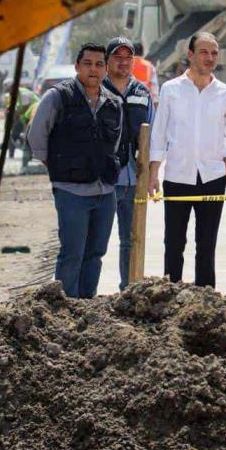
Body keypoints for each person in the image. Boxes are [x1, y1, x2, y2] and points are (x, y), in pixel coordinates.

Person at [28, 44, 122, 298]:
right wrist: (61, 169)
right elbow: (37, 138)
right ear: (77, 66)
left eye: (99, 64)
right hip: (71, 192)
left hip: (105, 191)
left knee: (96, 254)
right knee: (72, 254)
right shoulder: (58, 97)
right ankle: (65, 309)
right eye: (88, 63)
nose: (94, 69)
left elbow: (113, 143)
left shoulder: (113, 103)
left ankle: (87, 307)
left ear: (106, 68)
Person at [149, 32, 226, 288]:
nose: (210, 58)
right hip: (178, 175)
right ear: (190, 55)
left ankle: (205, 300)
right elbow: (158, 134)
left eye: (214, 53)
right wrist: (153, 173)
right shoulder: (171, 90)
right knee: (174, 242)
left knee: (207, 243)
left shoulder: (225, 93)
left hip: (212, 178)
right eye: (204, 52)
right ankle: (170, 297)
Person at [103, 36, 154, 290]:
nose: (123, 63)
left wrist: (151, 174)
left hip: (134, 179)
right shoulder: (97, 90)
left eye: (127, 58)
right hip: (103, 180)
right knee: (97, 241)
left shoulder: (142, 92)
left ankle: (128, 290)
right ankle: (83, 296)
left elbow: (151, 133)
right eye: (117, 57)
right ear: (107, 60)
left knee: (130, 240)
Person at [5, 85, 40, 164]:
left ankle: (28, 155)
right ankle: (11, 156)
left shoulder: (24, 94)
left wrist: (16, 114)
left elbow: (24, 107)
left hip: (32, 117)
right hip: (24, 117)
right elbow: (15, 107)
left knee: (28, 136)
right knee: (14, 134)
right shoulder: (13, 95)